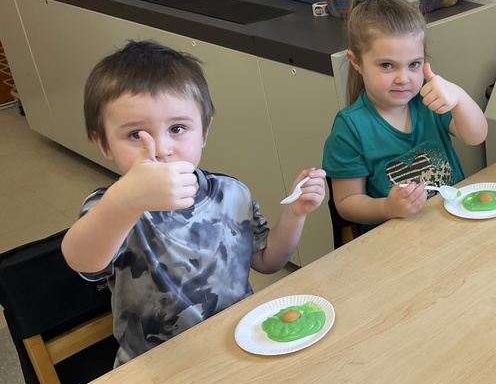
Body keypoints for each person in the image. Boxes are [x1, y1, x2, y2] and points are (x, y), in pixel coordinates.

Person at [62, 40, 325, 366]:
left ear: (204, 131)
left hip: (240, 344)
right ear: (102, 143)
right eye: (135, 135)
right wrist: (126, 201)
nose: (160, 148)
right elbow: (82, 259)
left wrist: (294, 214)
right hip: (155, 366)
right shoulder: (112, 208)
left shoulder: (231, 193)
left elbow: (267, 261)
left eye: (177, 128)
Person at [322, 0, 488, 232]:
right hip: (396, 239)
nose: (403, 78)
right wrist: (387, 208)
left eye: (414, 64)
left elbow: (476, 136)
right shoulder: (351, 127)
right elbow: (346, 203)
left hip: (452, 225)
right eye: (387, 65)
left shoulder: (427, 100)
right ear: (356, 62)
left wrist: (460, 97)